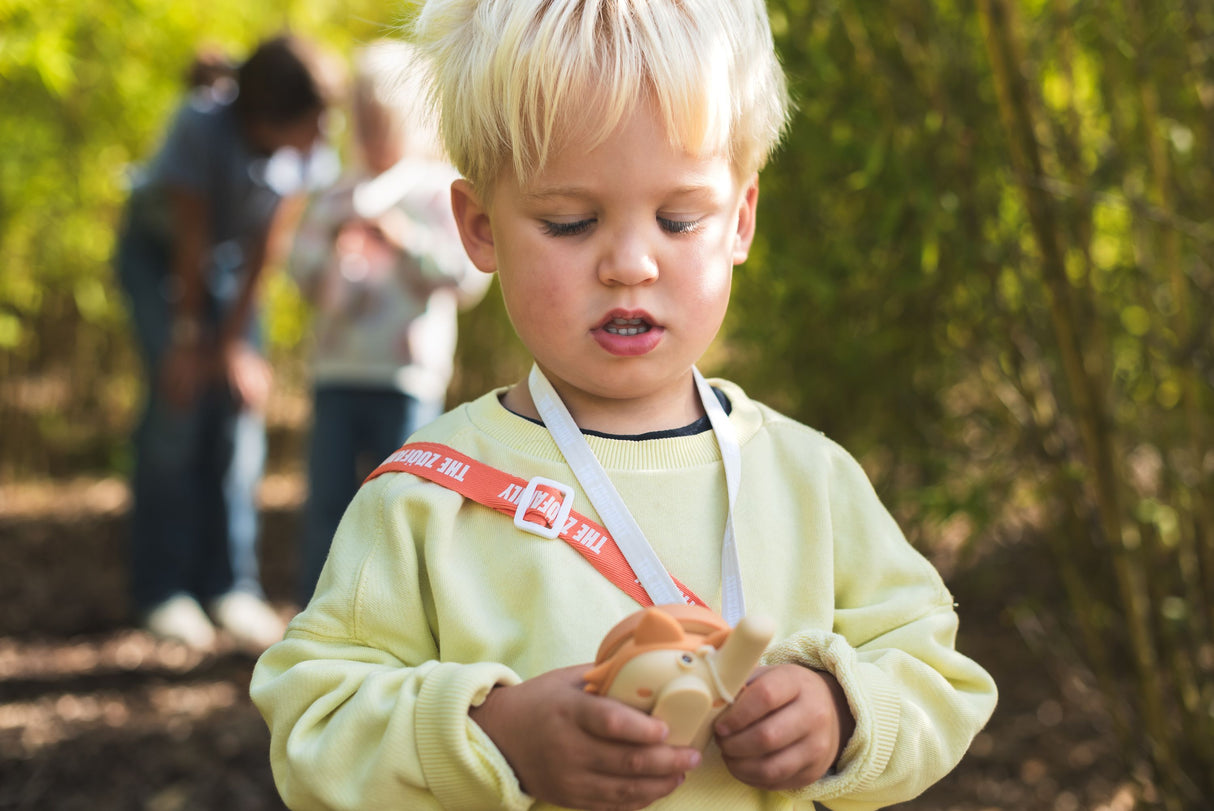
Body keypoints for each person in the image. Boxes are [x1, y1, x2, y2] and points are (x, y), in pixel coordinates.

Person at [251, 2, 998, 809]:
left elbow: (935, 668)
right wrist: (497, 736)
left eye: (680, 219)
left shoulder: (809, 477)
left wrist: (844, 710)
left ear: (741, 219)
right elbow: (312, 722)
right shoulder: (428, 497)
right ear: (479, 226)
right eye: (570, 222)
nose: (631, 263)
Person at [115, 34, 342, 651]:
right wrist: (190, 343)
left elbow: (266, 250)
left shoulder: (305, 152)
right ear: (268, 116)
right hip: (160, 263)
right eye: (314, 122)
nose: (325, 137)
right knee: (179, 410)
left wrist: (236, 344)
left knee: (239, 415)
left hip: (233, 274)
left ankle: (229, 585)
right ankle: (162, 589)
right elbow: (189, 241)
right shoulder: (200, 126)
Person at [287, 40, 490, 607]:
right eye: (367, 123)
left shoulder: (435, 192)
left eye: (387, 124)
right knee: (328, 501)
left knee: (405, 501)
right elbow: (298, 269)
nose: (376, 136)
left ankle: (402, 616)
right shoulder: (336, 192)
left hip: (406, 375)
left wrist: (405, 243)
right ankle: (316, 618)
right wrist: (334, 248)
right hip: (337, 370)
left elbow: (468, 275)